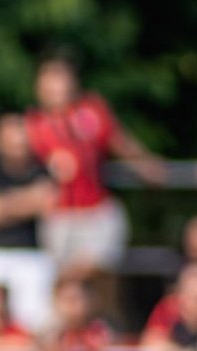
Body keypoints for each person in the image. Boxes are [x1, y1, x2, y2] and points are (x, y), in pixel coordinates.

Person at [25, 56, 164, 279]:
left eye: (60, 78)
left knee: (101, 274)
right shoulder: (33, 124)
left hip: (97, 210)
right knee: (67, 281)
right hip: (60, 214)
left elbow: (120, 142)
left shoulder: (92, 110)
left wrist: (148, 166)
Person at [0, 113, 57, 249]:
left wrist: (2, 205)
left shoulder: (40, 168)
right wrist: (29, 200)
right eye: (12, 143)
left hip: (32, 252)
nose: (17, 145)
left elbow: (47, 203)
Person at [40, 276, 112, 351]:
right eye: (66, 300)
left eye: (76, 299)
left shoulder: (98, 331)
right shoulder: (49, 334)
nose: (71, 306)